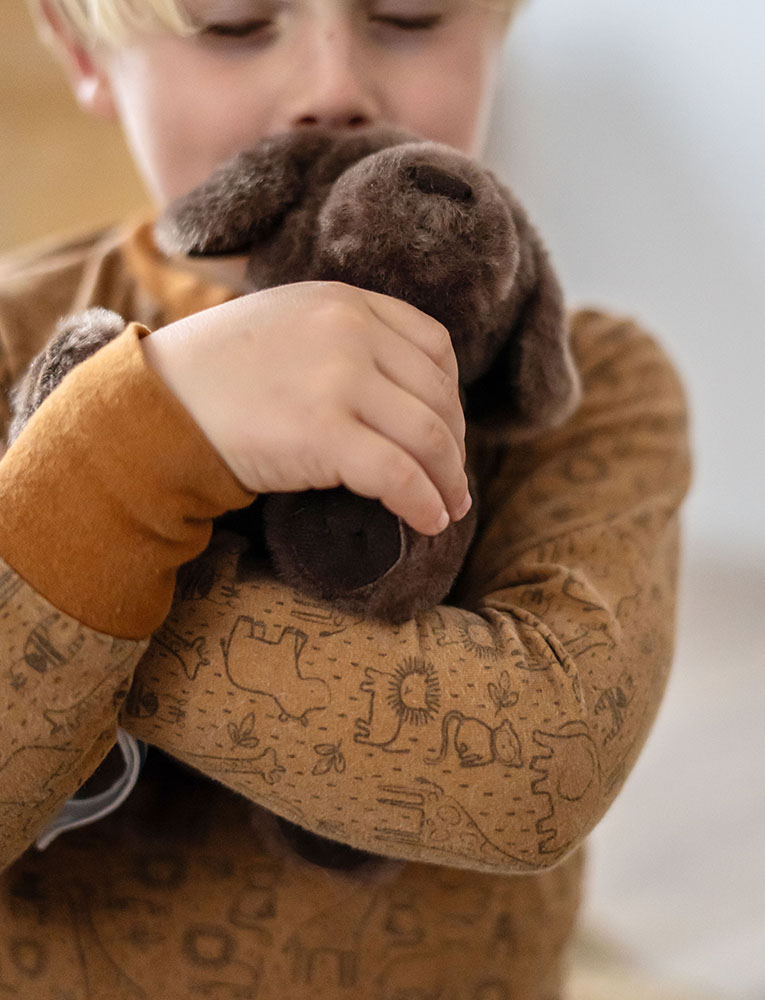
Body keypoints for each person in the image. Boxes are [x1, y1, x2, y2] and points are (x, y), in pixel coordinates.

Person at [0, 0, 691, 997]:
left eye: (409, 15)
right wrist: (140, 438)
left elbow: (541, 775)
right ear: (84, 53)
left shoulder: (585, 389)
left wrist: (92, 528)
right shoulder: (15, 338)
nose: (332, 89)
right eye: (235, 23)